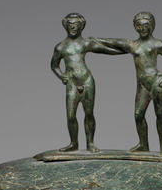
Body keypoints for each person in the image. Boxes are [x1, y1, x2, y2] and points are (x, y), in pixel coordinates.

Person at [100, 12, 162, 154]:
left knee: (159, 114)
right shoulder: (133, 45)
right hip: (142, 85)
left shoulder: (157, 44)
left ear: (152, 26)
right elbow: (115, 43)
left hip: (156, 83)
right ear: (135, 27)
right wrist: (93, 41)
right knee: (138, 115)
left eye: (146, 25)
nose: (142, 29)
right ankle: (143, 144)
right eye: (139, 26)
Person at [51, 13, 122, 152]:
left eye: (76, 25)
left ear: (81, 27)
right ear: (65, 26)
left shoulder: (85, 43)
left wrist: (129, 50)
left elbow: (105, 49)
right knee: (71, 115)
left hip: (87, 81)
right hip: (72, 83)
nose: (73, 27)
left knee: (89, 113)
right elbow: (54, 65)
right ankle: (73, 143)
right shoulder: (60, 47)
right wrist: (61, 76)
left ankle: (90, 143)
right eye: (70, 25)